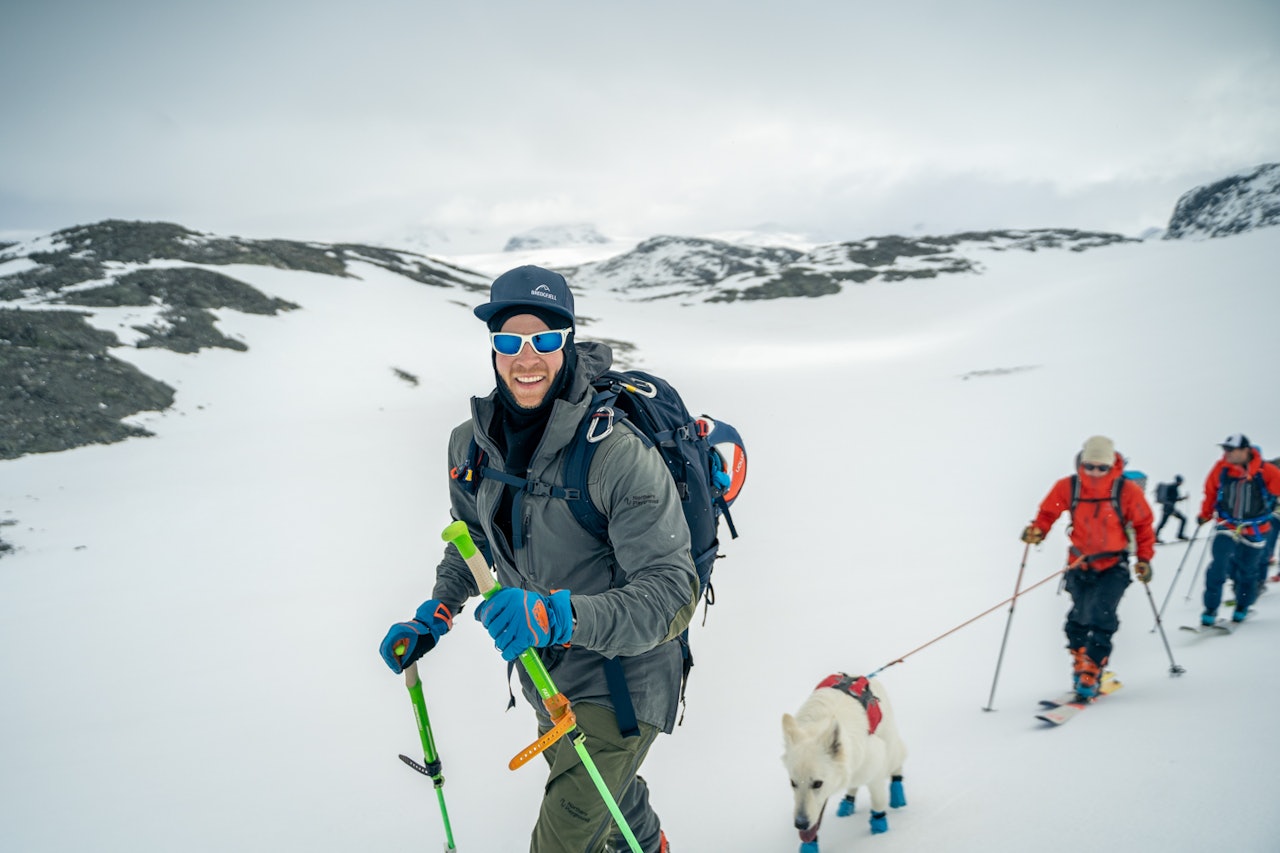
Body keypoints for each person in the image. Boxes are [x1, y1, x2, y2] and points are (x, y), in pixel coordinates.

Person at [378, 266, 693, 853]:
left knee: (564, 838)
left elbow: (672, 593)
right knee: (611, 801)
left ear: (566, 341)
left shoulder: (616, 453)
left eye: (544, 339)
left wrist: (554, 616)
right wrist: (436, 613)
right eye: (510, 340)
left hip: (625, 681)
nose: (527, 357)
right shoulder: (471, 443)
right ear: (493, 347)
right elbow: (473, 539)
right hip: (545, 676)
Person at [1021, 436, 1155, 699]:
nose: (1094, 472)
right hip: (1079, 564)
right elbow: (1048, 513)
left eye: (1101, 467)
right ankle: (1080, 660)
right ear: (1081, 463)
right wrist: (1038, 530)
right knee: (1078, 619)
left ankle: (1091, 669)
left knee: (1102, 615)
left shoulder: (1126, 490)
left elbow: (1143, 526)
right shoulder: (1069, 487)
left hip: (1113, 565)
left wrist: (1144, 559)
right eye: (1089, 466)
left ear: (1111, 465)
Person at [1195, 435, 1280, 624]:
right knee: (1218, 567)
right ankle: (1210, 610)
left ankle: (1242, 606)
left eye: (1231, 450)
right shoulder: (1221, 469)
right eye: (1225, 449)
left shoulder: (1266, 471)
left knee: (1248, 571)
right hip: (1227, 525)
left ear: (1245, 450)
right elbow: (1210, 492)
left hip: (1256, 529)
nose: (1227, 453)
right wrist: (1205, 514)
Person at [1153, 475, 1189, 542]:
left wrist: (1182, 498)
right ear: (1179, 481)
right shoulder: (1174, 488)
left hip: (1167, 508)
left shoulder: (1172, 487)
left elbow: (1172, 498)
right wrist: (1183, 498)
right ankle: (1180, 535)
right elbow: (1173, 499)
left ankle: (1155, 536)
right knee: (1183, 519)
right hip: (1170, 508)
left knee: (1163, 523)